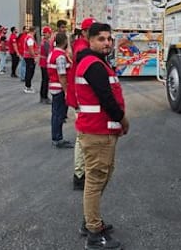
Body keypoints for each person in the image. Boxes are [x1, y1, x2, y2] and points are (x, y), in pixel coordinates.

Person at [76, 22, 128, 249]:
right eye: (101, 39)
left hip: (99, 131)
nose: (107, 43)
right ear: (90, 40)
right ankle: (94, 234)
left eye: (109, 39)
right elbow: (107, 99)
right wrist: (123, 120)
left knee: (99, 179)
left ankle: (90, 221)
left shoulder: (95, 62)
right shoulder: (94, 65)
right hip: (98, 132)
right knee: (96, 180)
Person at [69, 17, 96, 190]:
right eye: (91, 30)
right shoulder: (82, 48)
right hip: (81, 100)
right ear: (84, 32)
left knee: (84, 137)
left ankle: (82, 172)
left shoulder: (82, 45)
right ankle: (79, 175)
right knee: (82, 138)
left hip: (80, 99)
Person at [48, 32, 73, 148]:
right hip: (59, 88)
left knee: (56, 113)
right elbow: (62, 75)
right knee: (59, 114)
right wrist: (66, 91)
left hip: (54, 87)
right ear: (64, 42)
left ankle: (56, 136)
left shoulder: (53, 53)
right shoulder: (60, 56)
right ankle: (58, 138)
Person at [39, 26, 53, 104]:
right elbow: (49, 53)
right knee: (45, 80)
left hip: (43, 63)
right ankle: (44, 97)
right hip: (45, 63)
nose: (50, 34)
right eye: (49, 33)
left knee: (44, 80)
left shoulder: (44, 41)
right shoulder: (46, 42)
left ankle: (42, 96)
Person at [23, 27, 37, 93]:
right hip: (29, 57)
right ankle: (27, 87)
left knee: (29, 71)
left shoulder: (28, 37)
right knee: (30, 72)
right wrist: (34, 57)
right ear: (33, 31)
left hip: (28, 57)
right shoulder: (30, 38)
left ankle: (28, 86)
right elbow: (31, 49)